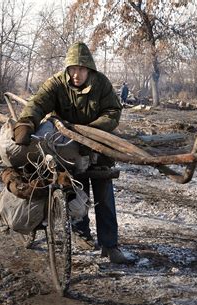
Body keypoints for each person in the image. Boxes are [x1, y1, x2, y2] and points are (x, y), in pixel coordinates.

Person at [13, 42, 132, 264]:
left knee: (104, 194)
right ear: (67, 69)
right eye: (72, 69)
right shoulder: (56, 84)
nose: (76, 74)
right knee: (75, 191)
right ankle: (81, 233)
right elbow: (38, 104)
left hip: (98, 146)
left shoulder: (101, 84)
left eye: (81, 69)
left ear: (89, 69)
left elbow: (113, 112)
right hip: (66, 148)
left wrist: (93, 132)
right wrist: (26, 124)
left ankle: (110, 245)